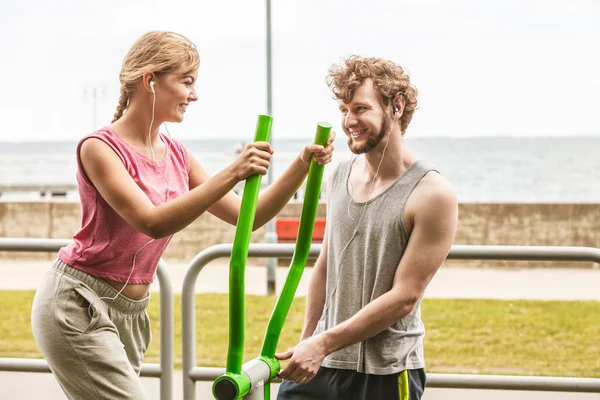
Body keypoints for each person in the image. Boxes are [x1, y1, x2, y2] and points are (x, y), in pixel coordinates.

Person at [30, 31, 335, 400]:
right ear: (150, 81)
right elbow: (151, 222)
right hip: (78, 304)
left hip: (131, 312)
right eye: (187, 82)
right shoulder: (99, 148)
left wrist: (301, 165)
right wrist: (233, 172)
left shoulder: (176, 153)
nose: (194, 95)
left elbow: (247, 217)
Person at [275, 56, 458, 400]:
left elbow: (405, 297)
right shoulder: (340, 174)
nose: (348, 121)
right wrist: (309, 341)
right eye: (344, 110)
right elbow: (325, 267)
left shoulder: (433, 194)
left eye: (360, 109)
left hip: (385, 373)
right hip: (321, 362)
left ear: (396, 106)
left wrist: (323, 343)